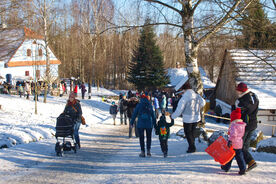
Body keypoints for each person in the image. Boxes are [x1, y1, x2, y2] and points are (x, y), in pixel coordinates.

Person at [171, 81, 206, 153]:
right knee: (192, 132)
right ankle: (192, 146)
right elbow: (203, 103)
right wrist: (198, 106)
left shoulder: (184, 98)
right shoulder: (196, 95)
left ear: (184, 89)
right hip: (196, 117)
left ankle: (192, 147)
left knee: (188, 133)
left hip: (187, 118)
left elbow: (179, 110)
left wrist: (173, 116)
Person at [233, 82, 259, 172]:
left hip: (244, 125)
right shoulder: (254, 96)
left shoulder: (241, 101)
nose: (236, 92)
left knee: (240, 146)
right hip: (253, 123)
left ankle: (251, 161)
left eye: (237, 90)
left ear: (241, 91)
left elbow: (237, 112)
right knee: (246, 145)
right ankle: (245, 162)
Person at [221, 108, 246, 175]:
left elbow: (233, 134)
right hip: (240, 143)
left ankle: (226, 167)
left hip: (233, 143)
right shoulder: (242, 125)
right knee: (239, 157)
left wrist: (230, 141)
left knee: (229, 155)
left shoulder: (234, 125)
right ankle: (243, 168)